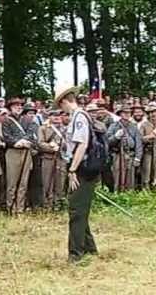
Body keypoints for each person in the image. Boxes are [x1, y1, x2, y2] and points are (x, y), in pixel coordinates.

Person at [54, 85, 98, 263]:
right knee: (79, 208)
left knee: (76, 211)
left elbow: (82, 144)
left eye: (60, 106)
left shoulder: (79, 117)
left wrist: (72, 169)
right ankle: (89, 248)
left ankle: (76, 253)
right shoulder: (77, 116)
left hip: (83, 168)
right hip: (81, 167)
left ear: (65, 101)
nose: (60, 110)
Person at [3, 98, 35, 214]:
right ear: (10, 107)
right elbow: (6, 136)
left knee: (23, 182)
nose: (19, 107)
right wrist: (18, 142)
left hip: (26, 150)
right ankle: (10, 208)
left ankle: (19, 209)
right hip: (13, 151)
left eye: (20, 106)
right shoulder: (7, 120)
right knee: (12, 182)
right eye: (16, 106)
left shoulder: (26, 120)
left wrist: (24, 141)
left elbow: (31, 132)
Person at [107, 106, 143, 192]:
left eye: (129, 113)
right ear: (120, 114)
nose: (127, 114)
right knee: (117, 176)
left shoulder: (134, 127)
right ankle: (116, 194)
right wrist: (116, 137)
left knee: (130, 178)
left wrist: (138, 158)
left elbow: (138, 143)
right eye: (124, 112)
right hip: (117, 155)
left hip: (129, 155)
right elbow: (107, 142)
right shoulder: (113, 126)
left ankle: (128, 195)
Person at [37, 110, 67, 209]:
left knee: (60, 182)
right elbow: (40, 143)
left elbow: (70, 143)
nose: (56, 117)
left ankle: (57, 204)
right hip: (48, 158)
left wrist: (62, 146)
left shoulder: (65, 129)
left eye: (58, 115)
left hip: (61, 158)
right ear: (49, 117)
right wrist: (51, 147)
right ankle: (47, 204)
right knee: (47, 182)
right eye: (54, 115)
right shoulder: (43, 128)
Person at [139, 103, 156, 190]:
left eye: (154, 111)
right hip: (148, 151)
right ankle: (145, 189)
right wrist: (149, 137)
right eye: (150, 112)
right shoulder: (144, 125)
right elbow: (139, 139)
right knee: (146, 172)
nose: (152, 114)